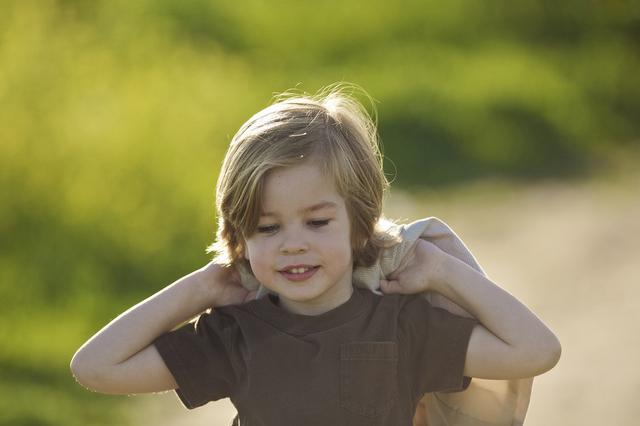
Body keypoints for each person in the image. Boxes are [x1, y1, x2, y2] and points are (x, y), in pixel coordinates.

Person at [70, 83, 561, 425]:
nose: (293, 243)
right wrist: (203, 287)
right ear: (239, 237)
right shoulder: (237, 336)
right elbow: (95, 367)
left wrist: (440, 271)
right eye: (267, 227)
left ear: (360, 224)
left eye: (317, 221)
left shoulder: (403, 327)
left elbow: (536, 352)